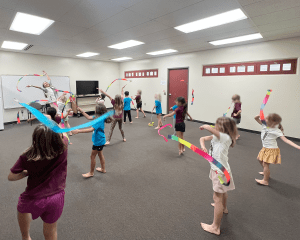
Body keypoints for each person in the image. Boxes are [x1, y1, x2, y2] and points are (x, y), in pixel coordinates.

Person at [8, 124, 69, 240]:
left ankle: (26, 237)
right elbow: (64, 134)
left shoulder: (28, 155)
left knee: (22, 208)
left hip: (34, 198)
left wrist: (27, 172)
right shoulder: (64, 147)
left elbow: (11, 176)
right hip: (56, 197)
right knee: (51, 230)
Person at [199, 117, 238, 235]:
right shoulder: (218, 136)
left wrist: (205, 126)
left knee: (217, 197)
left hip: (220, 172)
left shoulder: (225, 137)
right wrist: (203, 146)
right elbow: (203, 138)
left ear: (223, 128)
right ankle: (224, 208)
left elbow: (210, 130)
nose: (214, 127)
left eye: (217, 125)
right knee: (222, 192)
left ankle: (215, 227)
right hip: (220, 170)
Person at [254, 113, 300, 186]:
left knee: (265, 164)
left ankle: (265, 181)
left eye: (266, 118)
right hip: (265, 148)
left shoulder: (277, 130)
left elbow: (286, 140)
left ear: (272, 122)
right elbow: (256, 118)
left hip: (271, 149)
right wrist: (260, 114)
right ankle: (266, 172)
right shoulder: (265, 125)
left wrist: (298, 147)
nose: (264, 119)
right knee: (259, 159)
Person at [73, 104, 112, 178]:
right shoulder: (98, 117)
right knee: (100, 154)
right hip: (100, 140)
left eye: (95, 108)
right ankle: (103, 169)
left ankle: (91, 173)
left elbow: (91, 129)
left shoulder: (99, 120)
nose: (94, 109)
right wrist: (81, 111)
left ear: (97, 111)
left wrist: (78, 131)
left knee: (92, 156)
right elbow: (88, 117)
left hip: (98, 141)